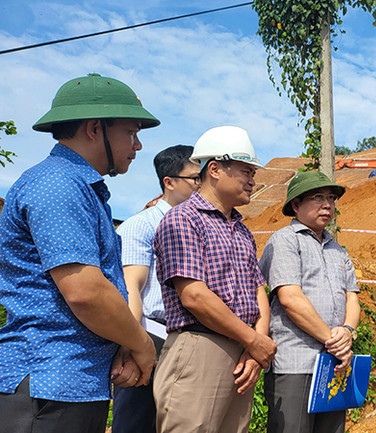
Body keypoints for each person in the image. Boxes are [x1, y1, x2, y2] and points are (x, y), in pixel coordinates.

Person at [0, 73, 158, 433]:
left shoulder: (80, 188)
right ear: (94, 128)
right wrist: (141, 345)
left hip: (69, 383)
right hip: (47, 382)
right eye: (131, 132)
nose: (137, 146)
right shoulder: (59, 185)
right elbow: (86, 292)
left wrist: (123, 343)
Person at [153, 125, 276, 433]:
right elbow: (194, 296)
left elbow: (258, 290)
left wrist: (256, 345)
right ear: (215, 169)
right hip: (200, 347)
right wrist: (254, 341)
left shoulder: (241, 230)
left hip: (242, 351)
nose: (252, 180)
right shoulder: (183, 219)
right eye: (246, 171)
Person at [259, 171, 361, 433]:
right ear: (296, 205)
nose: (327, 205)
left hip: (334, 364)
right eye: (318, 197)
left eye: (331, 198)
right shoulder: (285, 240)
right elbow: (290, 299)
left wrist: (347, 330)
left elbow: (352, 296)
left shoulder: (337, 249)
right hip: (296, 362)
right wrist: (334, 341)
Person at [111, 145, 200, 433]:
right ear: (169, 182)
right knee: (138, 421)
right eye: (195, 178)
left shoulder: (201, 226)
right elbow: (131, 288)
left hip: (192, 339)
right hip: (152, 335)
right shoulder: (142, 225)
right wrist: (131, 345)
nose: (201, 185)